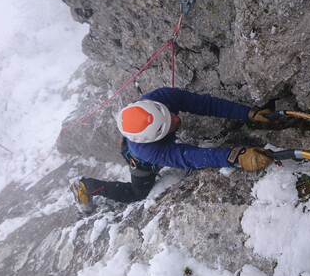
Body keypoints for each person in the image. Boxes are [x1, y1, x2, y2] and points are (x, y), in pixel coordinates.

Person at [69, 87, 274, 213]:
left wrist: (247, 112)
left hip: (141, 133)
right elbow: (188, 157)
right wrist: (236, 156)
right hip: (139, 159)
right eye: (168, 125)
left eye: (169, 114)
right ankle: (86, 185)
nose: (177, 119)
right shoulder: (147, 152)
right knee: (136, 193)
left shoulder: (162, 97)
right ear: (155, 137)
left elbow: (206, 104)